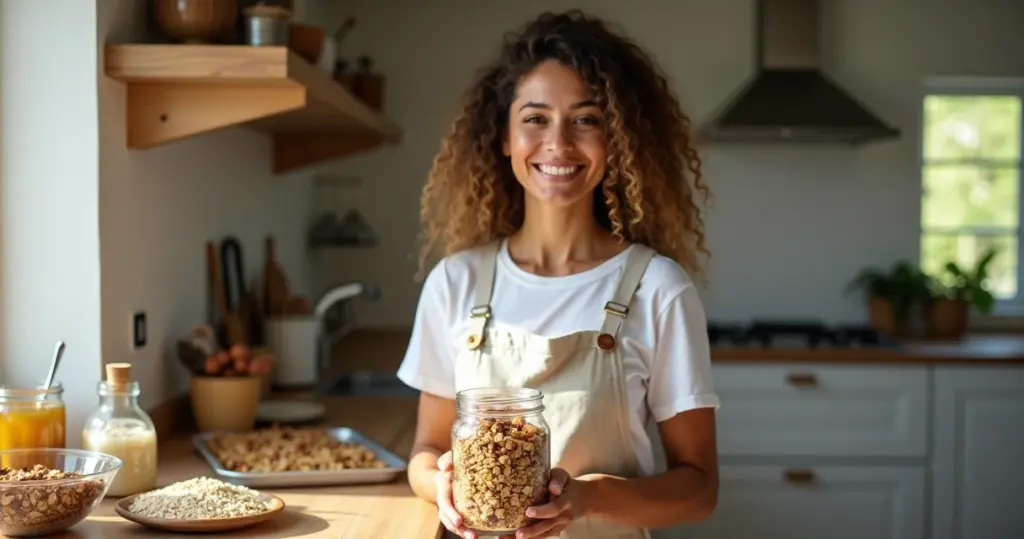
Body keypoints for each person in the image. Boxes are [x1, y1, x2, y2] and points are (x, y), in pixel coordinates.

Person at [397, 9, 720, 539]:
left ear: (615, 140)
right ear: (503, 137)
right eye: (535, 118)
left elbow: (700, 489)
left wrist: (590, 495)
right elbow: (426, 452)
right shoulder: (455, 283)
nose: (559, 144)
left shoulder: (658, 289)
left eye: (586, 119)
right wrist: (442, 487)